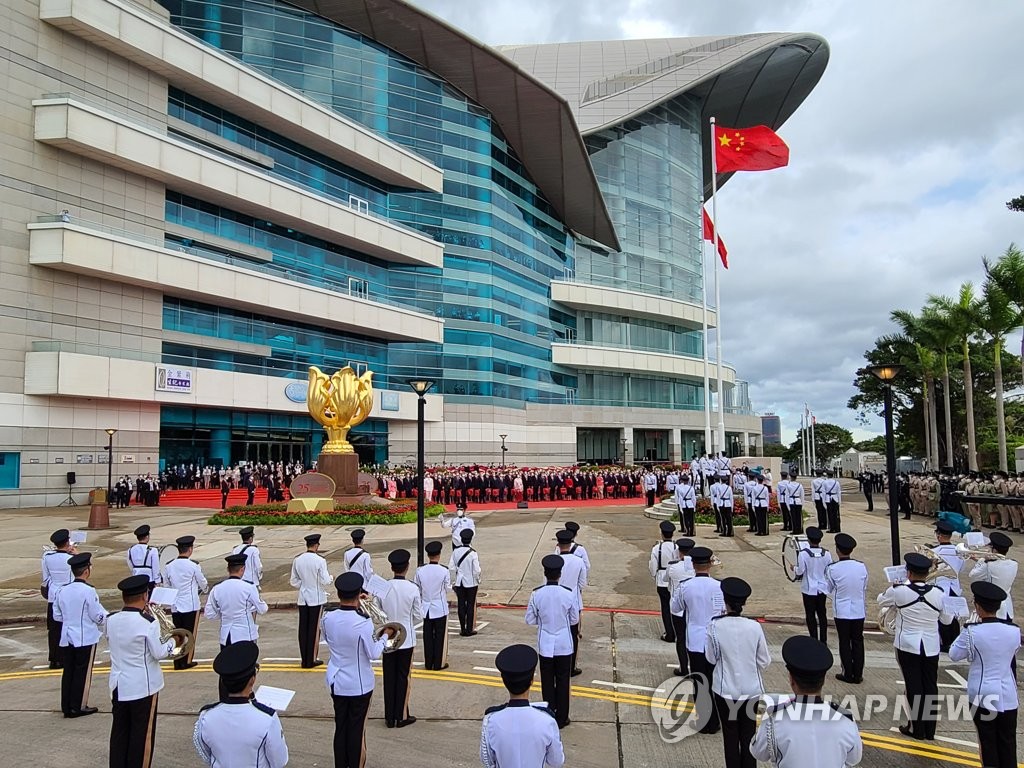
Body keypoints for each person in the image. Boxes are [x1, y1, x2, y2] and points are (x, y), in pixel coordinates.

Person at [749, 635, 862, 767]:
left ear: (791, 680)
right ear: (823, 680)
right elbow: (854, 759)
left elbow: (758, 752)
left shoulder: (774, 719)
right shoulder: (845, 718)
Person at [876, 552, 955, 740]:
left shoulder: (900, 591)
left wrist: (895, 586)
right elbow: (946, 620)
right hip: (931, 645)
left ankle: (915, 728)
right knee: (930, 685)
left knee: (913, 686)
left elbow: (881, 600)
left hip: (907, 644)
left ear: (908, 573)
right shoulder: (939, 594)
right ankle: (930, 730)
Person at [323, 572, 393, 768]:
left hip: (337, 680)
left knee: (341, 728)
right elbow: (373, 653)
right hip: (359, 684)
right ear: (358, 594)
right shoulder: (363, 622)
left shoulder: (328, 617)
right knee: (356, 731)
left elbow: (329, 640)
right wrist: (384, 636)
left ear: (338, 594)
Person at [106, 574, 177, 768]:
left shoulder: (111, 620)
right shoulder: (147, 622)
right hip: (143, 687)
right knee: (142, 736)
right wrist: (173, 641)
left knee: (120, 734)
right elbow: (159, 653)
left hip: (119, 685)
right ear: (145, 596)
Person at [949, 581, 1020, 768]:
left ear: (977, 606)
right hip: (1008, 695)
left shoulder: (972, 631)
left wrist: (966, 628)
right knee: (1007, 741)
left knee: (987, 742)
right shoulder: (1013, 630)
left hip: (982, 693)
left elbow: (954, 655)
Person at [705, 577, 770, 768]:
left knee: (730, 737)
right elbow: (764, 661)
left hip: (725, 690)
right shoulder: (754, 626)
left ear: (725, 600)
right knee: (749, 735)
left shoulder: (715, 626)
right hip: (751, 690)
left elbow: (710, 658)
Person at [194, 641, 289, 767]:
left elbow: (206, 753)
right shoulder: (267, 718)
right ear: (252, 680)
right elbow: (279, 761)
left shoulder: (206, 716)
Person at [480, 644, 565, 768]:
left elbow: (487, 760)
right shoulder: (547, 721)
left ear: (504, 681)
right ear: (532, 681)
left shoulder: (491, 721)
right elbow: (556, 761)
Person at [673, 546, 723, 734]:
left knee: (700, 682)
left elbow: (675, 608)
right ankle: (717, 719)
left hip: (695, 639)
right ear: (710, 564)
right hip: (715, 639)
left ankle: (705, 721)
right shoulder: (719, 586)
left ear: (692, 565)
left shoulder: (685, 586)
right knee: (715, 680)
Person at [525, 554, 579, 729]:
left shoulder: (536, 594)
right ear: (560, 574)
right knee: (563, 681)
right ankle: (562, 718)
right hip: (564, 644)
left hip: (545, 643)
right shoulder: (568, 594)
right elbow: (574, 619)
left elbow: (529, 619)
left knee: (547, 681)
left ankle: (549, 713)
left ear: (545, 573)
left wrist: (543, 621)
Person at [55, 552, 106, 717]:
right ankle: (78, 705)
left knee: (68, 671)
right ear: (86, 571)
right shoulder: (88, 591)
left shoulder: (62, 590)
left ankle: (67, 705)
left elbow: (57, 615)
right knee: (82, 673)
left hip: (67, 635)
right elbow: (96, 615)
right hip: (85, 636)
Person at [379, 549, 422, 728]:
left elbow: (378, 614)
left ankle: (390, 716)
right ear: (407, 567)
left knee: (389, 676)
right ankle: (401, 715)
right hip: (406, 637)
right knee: (403, 677)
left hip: (389, 634)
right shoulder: (412, 588)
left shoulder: (384, 587)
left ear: (391, 567)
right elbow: (419, 615)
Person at [825, 533, 868, 684]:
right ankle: (858, 673)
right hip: (858, 609)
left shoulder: (832, 569)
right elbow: (864, 586)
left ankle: (847, 672)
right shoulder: (861, 566)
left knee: (844, 641)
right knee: (857, 641)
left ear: (837, 550)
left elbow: (828, 588)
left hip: (842, 610)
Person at [164, 535, 208, 671]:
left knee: (178, 634)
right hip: (190, 604)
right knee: (190, 634)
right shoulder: (193, 565)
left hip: (176, 605)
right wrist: (205, 589)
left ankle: (177, 661)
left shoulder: (169, 566)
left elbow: (167, 585)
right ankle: (186, 661)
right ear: (190, 549)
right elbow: (202, 582)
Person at [289, 533, 332, 668]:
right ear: (317, 545)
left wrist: (304, 585)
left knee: (303, 629)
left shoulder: (298, 559)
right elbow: (325, 581)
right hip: (316, 597)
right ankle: (311, 659)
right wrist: (331, 578)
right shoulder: (320, 561)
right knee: (314, 629)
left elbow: (293, 581)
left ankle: (304, 658)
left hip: (303, 597)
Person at [414, 540, 451, 670]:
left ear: (428, 555)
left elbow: (417, 589)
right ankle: (438, 663)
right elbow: (447, 588)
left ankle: (428, 662)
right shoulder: (444, 571)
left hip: (426, 608)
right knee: (440, 636)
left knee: (428, 636)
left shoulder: (420, 570)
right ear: (439, 554)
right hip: (439, 607)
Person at [41, 528, 75, 669]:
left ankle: (54, 659)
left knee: (54, 629)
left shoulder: (47, 556)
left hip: (53, 595)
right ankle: (67, 656)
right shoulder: (71, 559)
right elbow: (82, 572)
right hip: (67, 595)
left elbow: (45, 578)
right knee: (69, 626)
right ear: (67, 542)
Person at [930, 520, 966, 652]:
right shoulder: (959, 551)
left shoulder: (934, 551)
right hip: (955, 587)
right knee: (954, 615)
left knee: (942, 616)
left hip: (940, 586)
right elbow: (961, 569)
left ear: (938, 535)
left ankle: (945, 642)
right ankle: (954, 641)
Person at [555, 529, 586, 676]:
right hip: (573, 600)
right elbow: (582, 583)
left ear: (558, 544)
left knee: (556, 632)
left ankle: (557, 663)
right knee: (573, 634)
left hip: (556, 600)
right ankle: (571, 666)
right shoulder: (578, 561)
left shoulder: (554, 560)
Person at [792, 527, 832, 643]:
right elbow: (829, 570)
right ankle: (823, 639)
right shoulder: (827, 553)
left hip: (809, 589)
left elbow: (800, 571)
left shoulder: (803, 554)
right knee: (822, 614)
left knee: (810, 615)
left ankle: (813, 639)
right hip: (822, 588)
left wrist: (793, 568)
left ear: (808, 540)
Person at [967, 531, 1016, 619]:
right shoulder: (1013, 564)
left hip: (992, 608)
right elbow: (999, 567)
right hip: (1007, 608)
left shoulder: (988, 565)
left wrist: (982, 560)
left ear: (995, 550)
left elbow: (973, 576)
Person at [666, 538, 695, 676]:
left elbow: (667, 579)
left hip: (678, 609)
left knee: (681, 638)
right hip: (693, 608)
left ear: (679, 551)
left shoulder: (673, 566)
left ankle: (683, 667)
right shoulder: (695, 567)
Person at [449, 527, 481, 636]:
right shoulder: (473, 553)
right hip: (471, 582)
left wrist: (454, 581)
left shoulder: (456, 551)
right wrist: (478, 580)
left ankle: (462, 628)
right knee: (470, 605)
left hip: (460, 582)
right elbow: (476, 570)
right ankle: (469, 628)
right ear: (470, 539)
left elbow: (451, 567)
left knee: (461, 605)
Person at [649, 520, 677, 643]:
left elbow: (653, 566)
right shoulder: (677, 547)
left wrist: (654, 574)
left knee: (665, 607)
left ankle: (669, 632)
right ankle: (677, 631)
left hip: (662, 580)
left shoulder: (657, 548)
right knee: (676, 607)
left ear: (662, 534)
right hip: (675, 580)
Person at [125, 524, 162, 593]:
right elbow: (155, 567)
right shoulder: (153, 550)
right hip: (149, 580)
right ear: (147, 536)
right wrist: (157, 581)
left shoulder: (130, 549)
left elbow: (130, 564)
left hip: (136, 578)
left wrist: (135, 571)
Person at [232, 526, 264, 590]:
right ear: (250, 538)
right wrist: (258, 577)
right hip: (252, 582)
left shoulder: (235, 549)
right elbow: (258, 566)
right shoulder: (254, 549)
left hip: (239, 581)